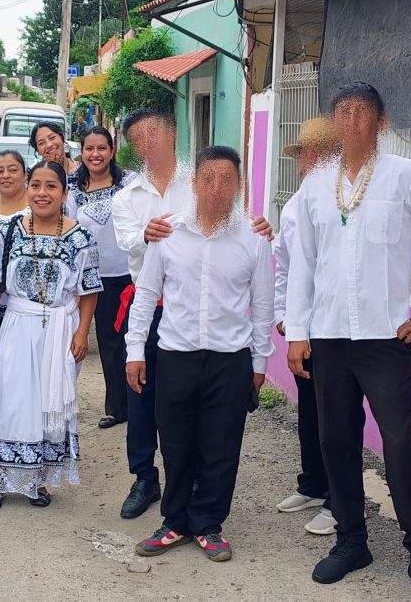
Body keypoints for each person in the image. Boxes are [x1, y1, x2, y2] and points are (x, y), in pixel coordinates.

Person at [286, 83, 411, 601]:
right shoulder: (316, 185)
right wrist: (297, 332)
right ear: (333, 123)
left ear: (381, 122)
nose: (351, 122)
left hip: (384, 339)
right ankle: (351, 542)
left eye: (362, 113)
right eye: (342, 113)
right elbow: (303, 262)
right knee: (336, 440)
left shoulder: (405, 176)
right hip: (329, 337)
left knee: (400, 443)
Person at [111, 110, 273, 520]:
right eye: (139, 137)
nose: (148, 142)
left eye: (155, 133)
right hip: (167, 327)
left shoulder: (240, 225)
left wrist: (258, 362)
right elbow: (138, 267)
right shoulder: (136, 204)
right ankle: (151, 486)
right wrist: (134, 350)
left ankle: (206, 515)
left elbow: (261, 301)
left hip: (221, 338)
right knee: (159, 418)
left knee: (217, 436)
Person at [0, 160, 101, 510]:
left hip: (60, 329)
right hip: (17, 326)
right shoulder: (10, 231)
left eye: (51, 186)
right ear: (28, 189)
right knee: (9, 401)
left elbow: (89, 291)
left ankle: (37, 481)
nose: (43, 193)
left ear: (65, 193)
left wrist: (82, 334)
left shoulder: (81, 237)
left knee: (48, 404)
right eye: (36, 185)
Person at [273, 118, 340, 535]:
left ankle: (338, 499)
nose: (304, 163)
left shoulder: (344, 202)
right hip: (303, 328)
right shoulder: (294, 205)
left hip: (335, 327)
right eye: (303, 155)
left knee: (335, 416)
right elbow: (285, 267)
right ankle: (313, 484)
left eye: (313, 155)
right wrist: (284, 316)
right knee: (310, 411)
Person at [66, 126, 138, 430]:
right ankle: (116, 408)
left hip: (132, 273)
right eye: (89, 149)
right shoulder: (74, 189)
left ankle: (143, 405)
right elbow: (70, 230)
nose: (95, 154)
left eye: (102, 148)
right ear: (82, 152)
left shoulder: (130, 182)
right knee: (109, 342)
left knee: (137, 339)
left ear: (112, 150)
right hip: (97, 277)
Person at [0, 149, 31, 340]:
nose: (6, 175)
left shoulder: (36, 210)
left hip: (23, 305)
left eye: (13, 170)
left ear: (25, 175)